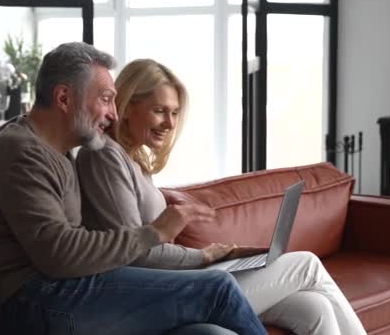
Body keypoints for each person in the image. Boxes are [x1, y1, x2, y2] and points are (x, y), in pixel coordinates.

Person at [0, 43, 266, 335]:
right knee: (218, 289)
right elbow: (58, 254)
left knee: (205, 333)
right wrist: (155, 233)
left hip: (61, 292)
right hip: (33, 302)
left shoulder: (59, 152)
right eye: (106, 99)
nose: (114, 114)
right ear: (64, 98)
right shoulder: (20, 153)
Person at [77, 58, 368, 335]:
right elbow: (135, 253)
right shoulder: (105, 157)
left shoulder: (134, 161)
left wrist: (220, 256)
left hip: (180, 279)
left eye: (175, 113)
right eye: (160, 110)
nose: (169, 122)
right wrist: (204, 257)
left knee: (314, 308)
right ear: (128, 106)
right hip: (162, 291)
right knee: (306, 264)